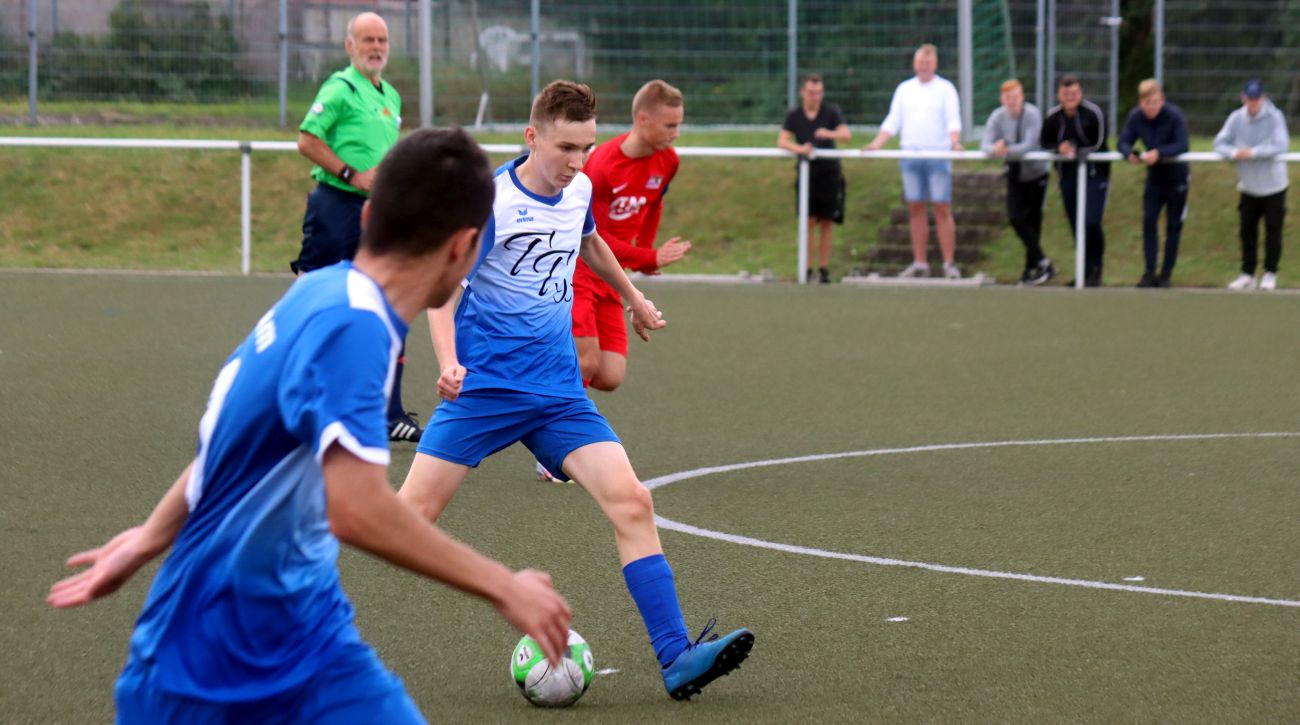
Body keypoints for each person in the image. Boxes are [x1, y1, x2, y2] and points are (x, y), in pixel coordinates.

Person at [47, 129, 574, 724]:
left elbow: (234, 444)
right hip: (207, 665)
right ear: (466, 248)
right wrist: (505, 586)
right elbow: (354, 508)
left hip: (315, 644)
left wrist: (149, 537)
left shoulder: (322, 292)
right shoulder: (354, 327)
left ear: (370, 213)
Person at [397, 80, 754, 702]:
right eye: (565, 147)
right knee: (402, 522)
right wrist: (450, 363)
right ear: (531, 136)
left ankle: (677, 658)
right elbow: (441, 291)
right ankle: (293, 647)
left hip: (560, 393)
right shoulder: (490, 204)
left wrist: (633, 297)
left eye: (586, 148)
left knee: (632, 501)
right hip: (484, 393)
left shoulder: (581, 188)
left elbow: (590, 242)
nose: (576, 162)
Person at [289, 12, 422, 443]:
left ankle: (389, 412)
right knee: (318, 305)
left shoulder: (392, 96)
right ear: (350, 46)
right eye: (367, 39)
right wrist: (351, 174)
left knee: (390, 303)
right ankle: (294, 401)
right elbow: (307, 139)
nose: (376, 46)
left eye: (382, 39)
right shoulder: (340, 88)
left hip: (377, 213)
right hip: (335, 207)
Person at [573, 79, 692, 393]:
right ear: (643, 120)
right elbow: (593, 240)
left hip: (612, 276)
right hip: (580, 270)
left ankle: (544, 381)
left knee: (610, 376)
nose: (676, 133)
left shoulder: (669, 160)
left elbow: (653, 204)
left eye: (678, 125)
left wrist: (645, 253)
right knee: (584, 363)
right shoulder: (602, 167)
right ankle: (561, 424)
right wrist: (648, 257)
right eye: (670, 125)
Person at [866, 44, 965, 279]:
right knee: (915, 207)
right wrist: (877, 143)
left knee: (942, 207)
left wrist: (955, 142)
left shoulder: (945, 89)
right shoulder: (905, 90)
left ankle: (949, 263)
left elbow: (953, 120)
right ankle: (920, 263)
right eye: (920, 63)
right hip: (911, 155)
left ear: (935, 64)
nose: (924, 67)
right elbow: (893, 120)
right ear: (914, 64)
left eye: (928, 63)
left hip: (937, 156)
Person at [1215, 79, 1291, 291]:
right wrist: (1233, 153)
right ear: (1243, 98)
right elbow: (1219, 142)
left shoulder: (1275, 117)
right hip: (1248, 186)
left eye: (1257, 99)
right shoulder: (1236, 118)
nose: (1254, 103)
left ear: (1263, 98)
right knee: (1247, 231)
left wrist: (1253, 152)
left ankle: (1270, 273)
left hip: (1274, 186)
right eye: (1250, 99)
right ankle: (1247, 273)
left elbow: (1281, 144)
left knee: (1273, 231)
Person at [778, 73, 851, 283]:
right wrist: (801, 148)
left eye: (819, 93)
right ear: (803, 92)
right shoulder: (794, 115)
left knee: (827, 221)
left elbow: (846, 135)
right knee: (808, 221)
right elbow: (782, 141)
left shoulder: (831, 112)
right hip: (807, 174)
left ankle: (824, 268)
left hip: (830, 174)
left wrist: (829, 134)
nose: (815, 97)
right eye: (811, 93)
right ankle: (807, 268)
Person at [1117, 79, 1191, 288]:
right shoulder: (1136, 117)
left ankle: (1166, 273)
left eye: (1156, 102)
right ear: (1141, 102)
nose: (1152, 107)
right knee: (1149, 221)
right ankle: (1149, 272)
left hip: (1177, 178)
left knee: (1173, 226)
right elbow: (1123, 141)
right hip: (1154, 180)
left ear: (1162, 100)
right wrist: (1129, 153)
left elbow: (1183, 144)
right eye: (1148, 103)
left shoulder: (1174, 116)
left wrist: (1159, 153)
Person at [981, 79, 1053, 285]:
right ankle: (1043, 261)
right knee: (1015, 217)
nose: (1012, 101)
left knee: (1033, 220)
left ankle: (1031, 269)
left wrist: (1006, 150)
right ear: (1002, 99)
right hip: (1015, 174)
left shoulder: (1032, 114)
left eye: (1016, 96)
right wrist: (995, 149)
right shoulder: (997, 117)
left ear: (1022, 96)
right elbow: (985, 143)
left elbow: (1030, 144)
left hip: (1036, 174)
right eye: (1008, 97)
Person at [1041, 74, 1111, 287]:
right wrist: (1059, 148)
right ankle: (1084, 271)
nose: (1070, 97)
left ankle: (1096, 267)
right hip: (1068, 177)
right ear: (1059, 94)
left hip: (1094, 175)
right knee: (1076, 224)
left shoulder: (1093, 113)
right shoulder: (1053, 117)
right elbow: (1044, 141)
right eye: (1065, 93)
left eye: (1074, 93)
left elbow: (1099, 143)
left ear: (1080, 93)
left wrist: (1075, 149)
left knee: (1091, 221)